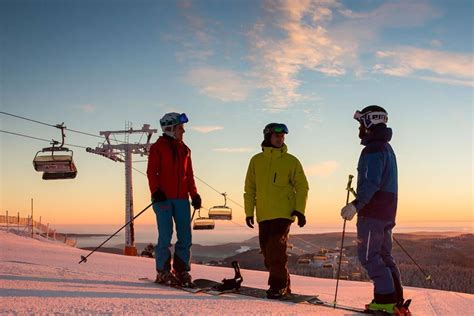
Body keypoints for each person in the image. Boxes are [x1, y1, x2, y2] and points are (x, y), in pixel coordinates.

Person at [340, 105, 406, 314]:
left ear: (368, 123)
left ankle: (385, 300)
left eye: (360, 123)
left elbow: (371, 182)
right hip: (386, 212)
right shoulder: (386, 148)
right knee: (384, 255)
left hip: (373, 213)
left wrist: (355, 205)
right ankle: (395, 298)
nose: (359, 128)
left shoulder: (373, 149)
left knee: (369, 255)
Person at [244, 123, 309, 299]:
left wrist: (299, 210)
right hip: (264, 214)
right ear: (268, 137)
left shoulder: (291, 161)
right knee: (267, 252)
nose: (280, 139)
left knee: (276, 249)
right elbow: (250, 189)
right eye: (276, 136)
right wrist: (249, 212)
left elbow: (302, 186)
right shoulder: (256, 160)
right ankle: (284, 283)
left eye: (282, 136)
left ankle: (277, 285)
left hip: (283, 213)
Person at [147, 112, 202, 287]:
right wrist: (156, 191)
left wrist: (194, 194)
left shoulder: (185, 149)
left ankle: (181, 270)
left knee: (185, 236)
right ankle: (163, 272)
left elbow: (189, 175)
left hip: (181, 199)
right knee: (165, 235)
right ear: (170, 129)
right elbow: (151, 172)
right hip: (162, 199)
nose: (183, 132)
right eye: (180, 128)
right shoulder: (158, 147)